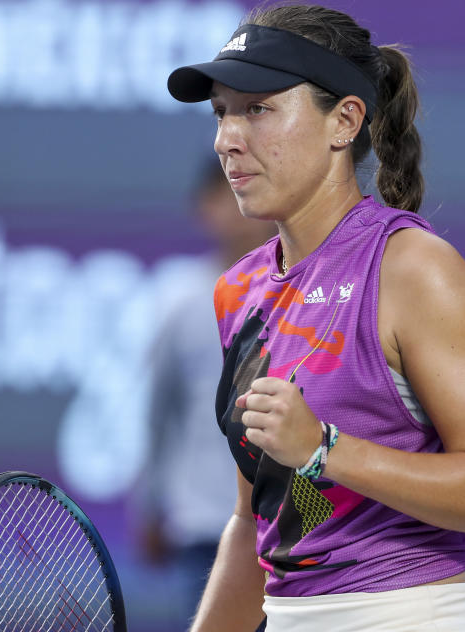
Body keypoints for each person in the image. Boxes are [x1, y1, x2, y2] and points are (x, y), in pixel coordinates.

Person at [166, 3, 465, 632]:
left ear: (345, 121)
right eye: (222, 113)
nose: (227, 138)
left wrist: (326, 450)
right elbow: (256, 522)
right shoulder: (239, 292)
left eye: (259, 108)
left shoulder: (416, 270)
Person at [133, 159, 275, 630]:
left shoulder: (311, 294)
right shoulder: (179, 300)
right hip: (204, 529)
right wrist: (152, 506)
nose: (236, 210)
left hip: (289, 530)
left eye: (245, 191)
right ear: (203, 208)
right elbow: (158, 414)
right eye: (223, 195)